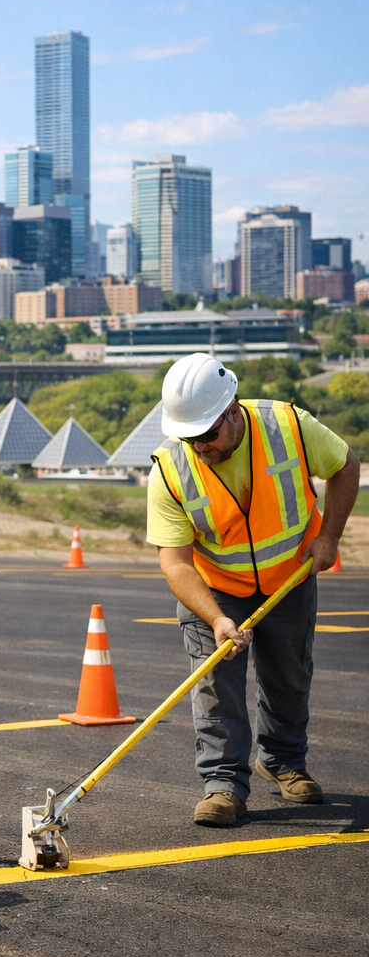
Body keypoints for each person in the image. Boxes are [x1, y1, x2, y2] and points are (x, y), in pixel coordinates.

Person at [148, 352, 359, 827]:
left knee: (290, 679)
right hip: (214, 590)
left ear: (232, 410)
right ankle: (223, 784)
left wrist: (329, 537)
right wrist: (216, 618)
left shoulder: (289, 426)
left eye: (207, 435)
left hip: (289, 578)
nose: (200, 447)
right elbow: (175, 562)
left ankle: (283, 762)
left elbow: (346, 465)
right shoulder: (169, 469)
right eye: (189, 438)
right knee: (215, 688)